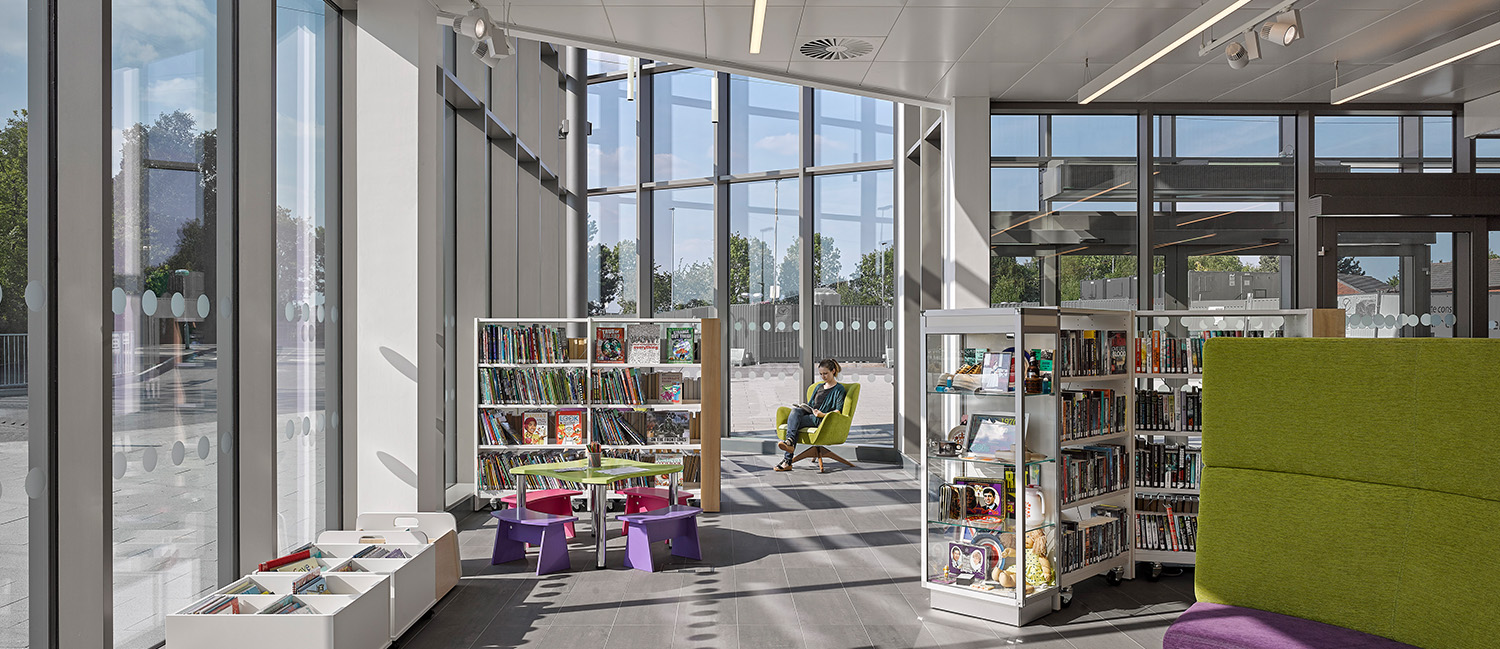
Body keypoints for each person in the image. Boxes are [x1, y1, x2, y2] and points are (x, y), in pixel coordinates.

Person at [775, 358, 847, 471]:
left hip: (821, 419)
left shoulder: (839, 389)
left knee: (794, 424)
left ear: (833, 371)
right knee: (795, 411)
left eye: (825, 373)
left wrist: (822, 414)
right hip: (811, 414)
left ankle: (787, 457)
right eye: (821, 374)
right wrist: (806, 408)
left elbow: (838, 411)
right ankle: (789, 443)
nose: (823, 377)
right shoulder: (818, 387)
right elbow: (811, 404)